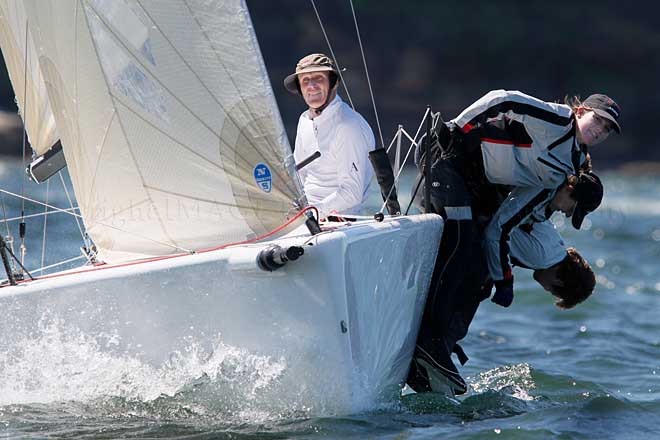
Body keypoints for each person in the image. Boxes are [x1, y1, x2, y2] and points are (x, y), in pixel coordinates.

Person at [409, 90, 621, 395]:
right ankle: (428, 342)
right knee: (463, 245)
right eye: (598, 121)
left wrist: (500, 278)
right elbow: (504, 98)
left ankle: (433, 352)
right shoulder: (558, 118)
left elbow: (510, 214)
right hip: (446, 153)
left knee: (474, 263)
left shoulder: (567, 167)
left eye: (606, 130)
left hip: (469, 175)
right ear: (581, 110)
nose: (599, 131)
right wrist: (460, 127)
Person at [408, 219, 597, 393]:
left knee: (480, 290)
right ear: (561, 282)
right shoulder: (542, 257)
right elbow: (497, 236)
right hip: (472, 229)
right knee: (475, 290)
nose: (546, 288)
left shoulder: (553, 247)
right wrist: (502, 282)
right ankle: (430, 346)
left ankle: (434, 355)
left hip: (475, 228)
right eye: (552, 291)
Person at [284, 53, 375, 218]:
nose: (311, 86)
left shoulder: (348, 125)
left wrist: (312, 212)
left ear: (334, 82)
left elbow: (352, 193)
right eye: (305, 80)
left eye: (318, 78)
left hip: (341, 222)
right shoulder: (304, 120)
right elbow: (299, 176)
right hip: (305, 215)